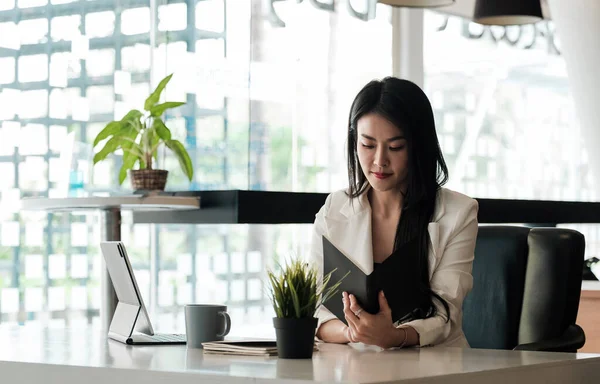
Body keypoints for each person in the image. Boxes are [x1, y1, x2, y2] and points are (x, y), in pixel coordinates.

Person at [311, 77, 478, 349]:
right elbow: (315, 307)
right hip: (355, 365)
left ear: (418, 147)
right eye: (367, 145)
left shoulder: (458, 213)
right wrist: (353, 333)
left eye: (395, 147)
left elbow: (446, 312)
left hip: (434, 367)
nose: (379, 161)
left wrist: (394, 337)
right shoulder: (335, 208)